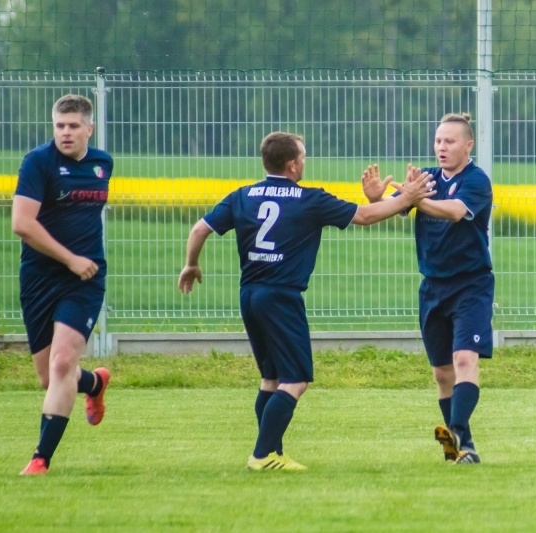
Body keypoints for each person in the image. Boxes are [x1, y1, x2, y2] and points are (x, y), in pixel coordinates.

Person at [178, 131, 435, 471]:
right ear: (292, 163)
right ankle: (262, 455)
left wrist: (191, 264)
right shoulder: (308, 199)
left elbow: (199, 230)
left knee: (271, 379)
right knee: (296, 380)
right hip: (282, 298)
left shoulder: (243, 195)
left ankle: (274, 454)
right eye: (303, 157)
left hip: (250, 295)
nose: (304, 162)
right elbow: (364, 217)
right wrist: (408, 198)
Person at [363, 113, 494, 465]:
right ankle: (462, 447)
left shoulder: (477, 181)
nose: (441, 147)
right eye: (438, 141)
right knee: (441, 373)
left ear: (469, 145)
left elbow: (452, 211)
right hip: (432, 287)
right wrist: (378, 199)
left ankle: (455, 431)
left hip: (471, 285)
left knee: (465, 359)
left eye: (449, 141)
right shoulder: (426, 179)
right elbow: (393, 207)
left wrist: (414, 199)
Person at [11, 94, 114, 476]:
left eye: (73, 126)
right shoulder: (38, 162)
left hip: (85, 278)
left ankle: (40, 459)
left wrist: (79, 262)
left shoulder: (104, 164)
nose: (65, 133)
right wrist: (68, 257)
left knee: (62, 363)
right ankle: (94, 384)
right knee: (49, 377)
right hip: (39, 278)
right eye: (59, 125)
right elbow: (22, 224)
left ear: (90, 128)